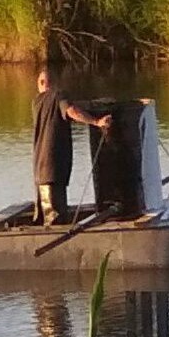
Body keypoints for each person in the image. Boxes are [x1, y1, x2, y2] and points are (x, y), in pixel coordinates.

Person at [33, 69, 111, 226]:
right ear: (53, 83)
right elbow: (72, 111)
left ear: (40, 84)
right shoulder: (58, 95)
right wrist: (97, 122)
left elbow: (72, 106)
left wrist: (92, 104)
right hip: (52, 166)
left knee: (44, 215)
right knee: (55, 218)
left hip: (39, 167)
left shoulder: (37, 101)